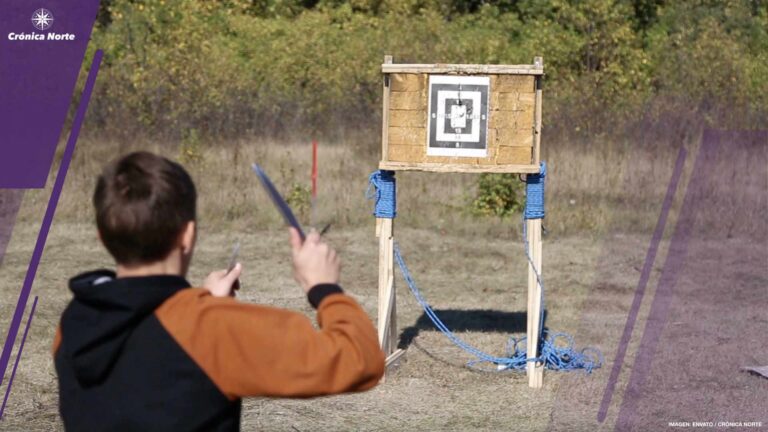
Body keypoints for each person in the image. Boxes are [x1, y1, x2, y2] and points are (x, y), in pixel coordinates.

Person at [53, 151, 384, 431]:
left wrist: (200, 304)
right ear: (188, 235)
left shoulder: (72, 325)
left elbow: (149, 367)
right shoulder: (212, 330)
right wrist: (324, 287)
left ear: (102, 236)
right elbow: (360, 359)